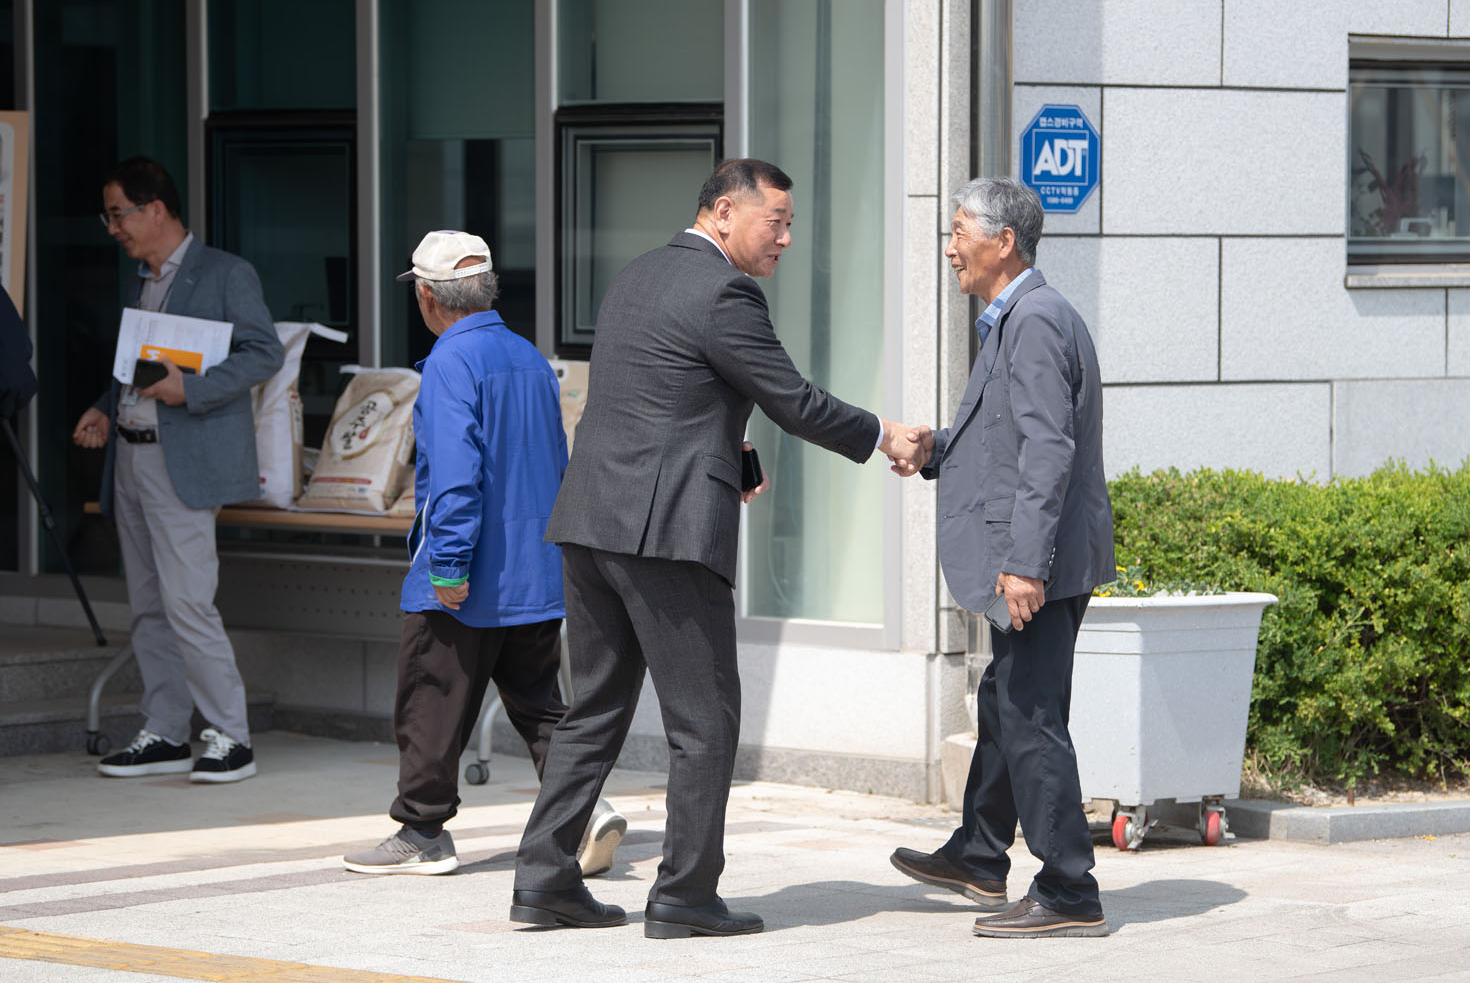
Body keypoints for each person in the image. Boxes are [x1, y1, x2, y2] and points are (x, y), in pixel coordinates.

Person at [510, 158, 930, 939]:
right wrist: (885, 435)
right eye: (777, 221)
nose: (787, 238)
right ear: (725, 212)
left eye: (791, 224)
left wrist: (732, 455)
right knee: (704, 720)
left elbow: (658, 394)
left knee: (592, 710)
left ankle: (542, 881)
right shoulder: (725, 291)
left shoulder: (636, 274)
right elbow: (792, 399)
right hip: (666, 533)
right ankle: (684, 894)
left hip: (592, 521)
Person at [342, 231, 625, 879]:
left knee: (430, 700)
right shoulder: (529, 358)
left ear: (426, 296)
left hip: (466, 574)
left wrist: (446, 565)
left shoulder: (448, 362)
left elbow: (455, 475)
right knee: (540, 705)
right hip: (535, 569)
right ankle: (588, 811)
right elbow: (555, 460)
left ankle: (422, 832)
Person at [890, 177, 1115, 938]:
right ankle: (981, 854)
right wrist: (935, 448)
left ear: (1003, 242)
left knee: (1031, 716)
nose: (949, 247)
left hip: (1037, 565)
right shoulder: (1015, 319)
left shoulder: (1037, 320)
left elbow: (1049, 451)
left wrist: (1025, 564)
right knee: (1004, 702)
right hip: (1031, 556)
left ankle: (1069, 889)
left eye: (960, 231)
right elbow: (1004, 443)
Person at [72, 155, 282, 783]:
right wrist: (105, 406)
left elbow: (263, 353)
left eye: (118, 214)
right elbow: (136, 367)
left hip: (183, 459)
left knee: (187, 602)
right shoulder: (139, 280)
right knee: (147, 605)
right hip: (131, 454)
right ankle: (165, 731)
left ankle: (231, 736)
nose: (113, 228)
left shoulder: (224, 272)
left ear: (155, 209)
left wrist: (189, 389)